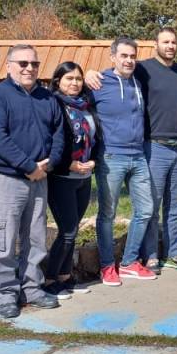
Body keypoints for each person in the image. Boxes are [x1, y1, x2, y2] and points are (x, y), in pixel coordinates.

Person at [85, 28, 177, 271]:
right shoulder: (143, 69)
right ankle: (150, 255)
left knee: (172, 207)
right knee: (148, 208)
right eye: (165, 41)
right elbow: (103, 79)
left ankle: (173, 253)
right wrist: (88, 74)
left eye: (174, 42)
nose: (170, 46)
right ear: (155, 44)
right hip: (150, 147)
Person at [0, 44, 65, 318]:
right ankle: (6, 294)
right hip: (7, 178)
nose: (29, 68)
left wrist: (47, 165)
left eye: (33, 64)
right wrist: (29, 166)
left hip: (40, 177)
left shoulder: (47, 98)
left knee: (36, 237)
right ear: (8, 66)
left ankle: (32, 288)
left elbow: (59, 134)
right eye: (22, 63)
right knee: (4, 239)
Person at [93, 38, 156, 286]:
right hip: (111, 156)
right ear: (112, 57)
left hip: (138, 156)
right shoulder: (99, 83)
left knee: (146, 210)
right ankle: (107, 266)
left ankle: (129, 262)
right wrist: (88, 74)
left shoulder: (138, 84)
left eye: (132, 56)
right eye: (124, 56)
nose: (129, 60)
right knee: (108, 213)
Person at [45, 62, 102, 299]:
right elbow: (48, 139)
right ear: (58, 81)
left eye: (78, 79)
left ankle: (66, 278)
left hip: (84, 176)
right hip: (62, 176)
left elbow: (95, 136)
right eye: (69, 78)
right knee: (67, 230)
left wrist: (94, 161)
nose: (75, 83)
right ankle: (49, 280)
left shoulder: (86, 105)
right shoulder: (52, 104)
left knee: (73, 229)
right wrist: (68, 163)